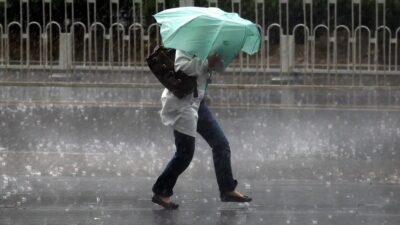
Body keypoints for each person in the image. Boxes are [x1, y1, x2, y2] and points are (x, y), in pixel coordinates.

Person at [151, 49, 252, 210]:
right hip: (182, 104)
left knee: (220, 144)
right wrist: (206, 63)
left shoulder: (209, 45)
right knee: (184, 154)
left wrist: (216, 61)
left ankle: (227, 189)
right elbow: (181, 67)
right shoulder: (187, 43)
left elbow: (217, 70)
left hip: (198, 103)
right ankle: (161, 191)